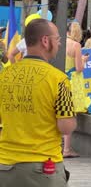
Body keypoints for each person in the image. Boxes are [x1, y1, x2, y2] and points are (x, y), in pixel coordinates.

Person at [0, 18, 76, 187]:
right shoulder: (59, 80)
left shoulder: (4, 76)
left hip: (5, 166)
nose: (59, 44)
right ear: (45, 40)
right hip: (42, 168)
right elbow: (66, 127)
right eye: (57, 39)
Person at [63, 22, 89, 158]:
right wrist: (84, 60)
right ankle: (67, 149)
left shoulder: (61, 42)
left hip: (60, 79)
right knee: (70, 114)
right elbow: (79, 68)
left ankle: (60, 146)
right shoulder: (76, 45)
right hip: (72, 82)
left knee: (60, 112)